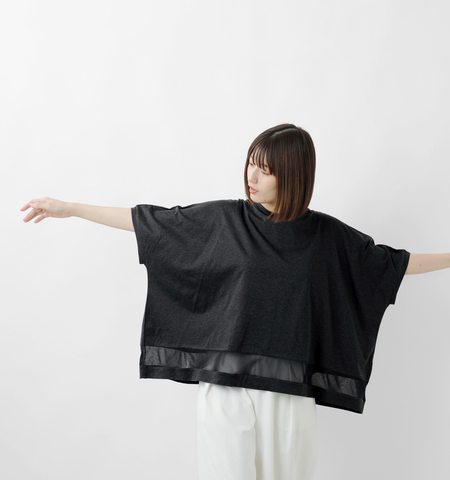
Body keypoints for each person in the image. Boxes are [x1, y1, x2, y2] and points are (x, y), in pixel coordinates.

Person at [20, 123, 450, 480]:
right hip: (225, 390)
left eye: (265, 169)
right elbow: (151, 222)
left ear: (293, 175)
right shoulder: (226, 219)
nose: (252, 176)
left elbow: (391, 264)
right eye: (251, 163)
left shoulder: (325, 237)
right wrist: (70, 207)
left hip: (288, 397)